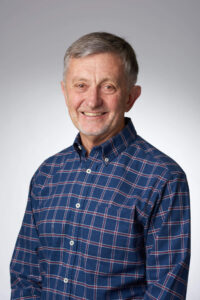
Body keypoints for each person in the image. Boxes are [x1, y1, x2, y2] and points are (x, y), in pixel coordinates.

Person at [10, 32, 190, 299]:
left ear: (131, 96)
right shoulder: (47, 175)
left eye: (108, 87)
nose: (92, 101)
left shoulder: (163, 178)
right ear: (65, 92)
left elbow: (165, 292)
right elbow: (26, 276)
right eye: (80, 85)